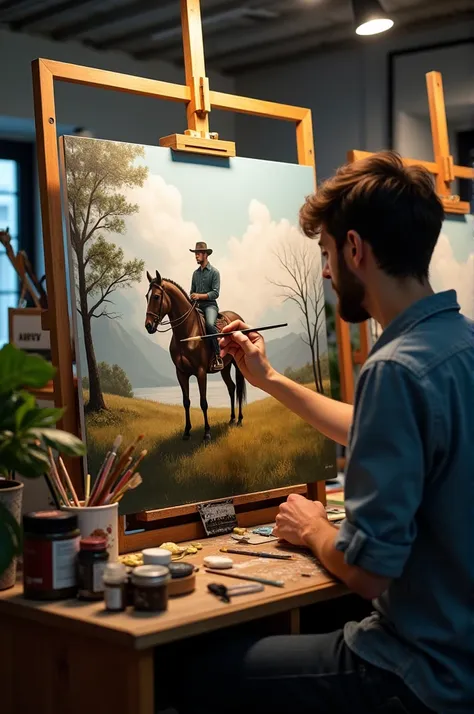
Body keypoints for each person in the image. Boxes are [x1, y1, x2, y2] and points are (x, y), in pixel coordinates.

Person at [173, 151, 474, 714]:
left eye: (328, 254)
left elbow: (365, 573)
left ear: (355, 249)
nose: (327, 272)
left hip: (417, 674)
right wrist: (268, 380)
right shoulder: (459, 345)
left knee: (196, 673)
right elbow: (373, 428)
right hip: (462, 659)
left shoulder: (394, 369)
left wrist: (313, 528)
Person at [189, 241, 223, 372]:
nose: (196, 256)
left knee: (209, 325)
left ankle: (217, 356)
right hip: (196, 306)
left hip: (210, 306)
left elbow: (215, 293)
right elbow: (192, 291)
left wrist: (199, 296)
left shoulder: (215, 272)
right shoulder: (195, 274)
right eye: (195, 254)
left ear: (205, 255)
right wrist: (192, 296)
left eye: (198, 254)